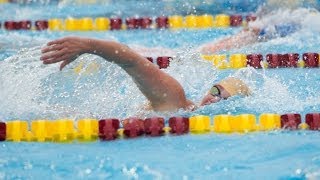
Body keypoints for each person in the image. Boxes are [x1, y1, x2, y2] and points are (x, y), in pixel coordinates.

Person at [40, 37, 250, 112]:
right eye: (216, 90)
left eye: (223, 99)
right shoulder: (176, 99)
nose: (214, 98)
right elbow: (130, 59)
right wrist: (87, 45)